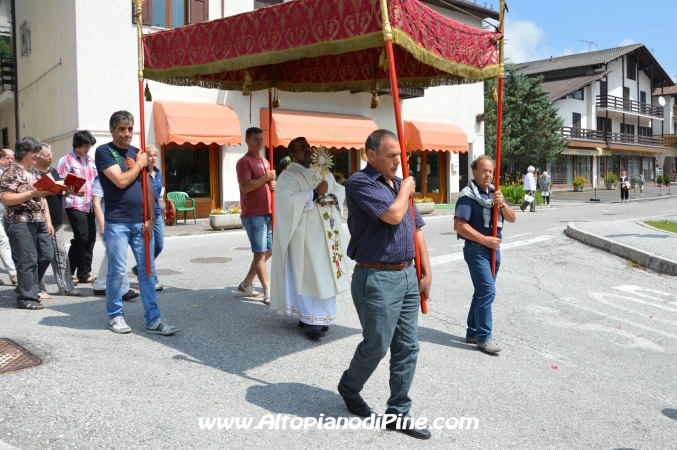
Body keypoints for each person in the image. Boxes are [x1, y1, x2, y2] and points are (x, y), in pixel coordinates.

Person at [338, 129, 432, 440]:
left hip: (406, 275)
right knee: (377, 345)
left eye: (400, 155)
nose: (398, 161)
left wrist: (426, 271)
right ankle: (349, 387)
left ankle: (398, 413)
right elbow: (393, 215)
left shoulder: (397, 184)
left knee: (407, 346)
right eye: (391, 156)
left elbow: (415, 228)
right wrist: (405, 188)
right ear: (371, 155)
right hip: (376, 277)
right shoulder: (361, 183)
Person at [94, 110, 178, 335]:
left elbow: (149, 189)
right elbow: (121, 181)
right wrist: (140, 163)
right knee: (117, 271)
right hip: (117, 222)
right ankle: (115, 316)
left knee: (147, 272)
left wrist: (152, 218)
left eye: (130, 129)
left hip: (142, 223)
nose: (126, 133)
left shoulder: (137, 153)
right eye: (122, 128)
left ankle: (153, 318)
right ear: (112, 129)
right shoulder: (104, 152)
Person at [270, 138, 350, 340]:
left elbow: (338, 188)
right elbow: (287, 203)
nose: (307, 150)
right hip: (304, 237)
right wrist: (314, 193)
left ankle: (323, 318)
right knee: (309, 275)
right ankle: (309, 320)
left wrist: (334, 196)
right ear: (293, 154)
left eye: (308, 146)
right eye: (301, 148)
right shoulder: (288, 176)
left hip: (327, 235)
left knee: (325, 273)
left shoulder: (321, 171)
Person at [454, 155, 517, 354]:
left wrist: (503, 203)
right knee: (488, 292)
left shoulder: (494, 194)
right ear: (474, 172)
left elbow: (512, 218)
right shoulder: (467, 195)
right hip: (476, 250)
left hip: (494, 250)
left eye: (491, 171)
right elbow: (459, 226)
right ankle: (484, 337)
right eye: (484, 170)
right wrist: (485, 240)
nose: (488, 174)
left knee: (481, 292)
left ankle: (472, 332)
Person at [0, 137, 54, 310]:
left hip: (39, 221)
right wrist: (32, 193)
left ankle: (25, 286)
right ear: (24, 153)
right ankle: (27, 297)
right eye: (34, 152)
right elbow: (6, 198)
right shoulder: (11, 172)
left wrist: (66, 191)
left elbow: (42, 197)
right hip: (19, 221)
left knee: (46, 255)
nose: (37, 156)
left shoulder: (36, 172)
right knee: (28, 259)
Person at [235, 127, 276, 305]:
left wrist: (273, 183)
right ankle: (267, 290)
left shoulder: (265, 161)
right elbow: (246, 187)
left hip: (267, 211)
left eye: (261, 138)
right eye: (256, 139)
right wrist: (266, 178)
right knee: (259, 253)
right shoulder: (243, 162)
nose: (260, 141)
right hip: (254, 213)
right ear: (248, 141)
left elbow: (267, 183)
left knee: (269, 250)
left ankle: (247, 283)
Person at [34, 143, 80, 296]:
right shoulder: (33, 174)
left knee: (60, 252)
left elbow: (59, 192)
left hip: (57, 219)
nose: (50, 157)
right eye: (47, 155)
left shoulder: (53, 171)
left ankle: (66, 286)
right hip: (39, 221)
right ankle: (38, 288)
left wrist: (69, 191)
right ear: (37, 157)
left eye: (51, 154)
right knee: (41, 255)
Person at [57, 130, 98, 284]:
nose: (87, 149)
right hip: (74, 203)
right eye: (84, 146)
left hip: (90, 203)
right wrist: (72, 190)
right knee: (81, 237)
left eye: (89, 146)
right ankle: (69, 272)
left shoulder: (91, 161)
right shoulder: (66, 160)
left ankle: (84, 272)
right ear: (76, 144)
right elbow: (61, 183)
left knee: (90, 238)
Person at [91, 175, 139, 301]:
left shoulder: (121, 178)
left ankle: (99, 285)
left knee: (111, 253)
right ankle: (124, 290)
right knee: (116, 253)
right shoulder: (100, 180)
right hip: (107, 222)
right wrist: (102, 225)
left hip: (120, 221)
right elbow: (96, 203)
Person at [131, 145, 164, 291]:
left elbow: (158, 194)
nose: (153, 158)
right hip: (145, 214)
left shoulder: (158, 173)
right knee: (148, 247)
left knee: (159, 245)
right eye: (150, 155)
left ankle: (139, 269)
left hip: (157, 214)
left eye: (155, 155)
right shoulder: (141, 173)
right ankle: (152, 279)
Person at [0, 148, 17, 285]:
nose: (7, 161)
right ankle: (13, 273)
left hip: (4, 213)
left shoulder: (4, 173)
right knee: (3, 241)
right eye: (4, 158)